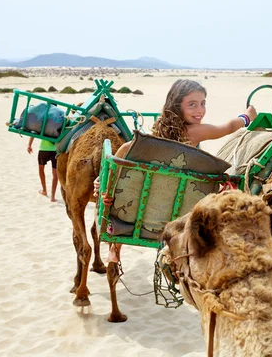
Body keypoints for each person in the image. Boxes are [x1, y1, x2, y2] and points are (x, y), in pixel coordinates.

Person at [93, 79, 257, 262]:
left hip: (142, 210)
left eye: (203, 103)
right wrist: (247, 116)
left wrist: (104, 178)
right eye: (192, 105)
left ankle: (115, 248)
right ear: (177, 107)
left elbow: (125, 149)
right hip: (173, 211)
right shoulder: (195, 132)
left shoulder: (158, 135)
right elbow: (228, 127)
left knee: (133, 188)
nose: (200, 110)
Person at [27, 138, 58, 202]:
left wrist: (29, 144)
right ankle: (53, 197)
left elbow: (34, 130)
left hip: (43, 149)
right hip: (55, 150)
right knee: (55, 174)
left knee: (41, 169)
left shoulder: (43, 127)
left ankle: (44, 190)